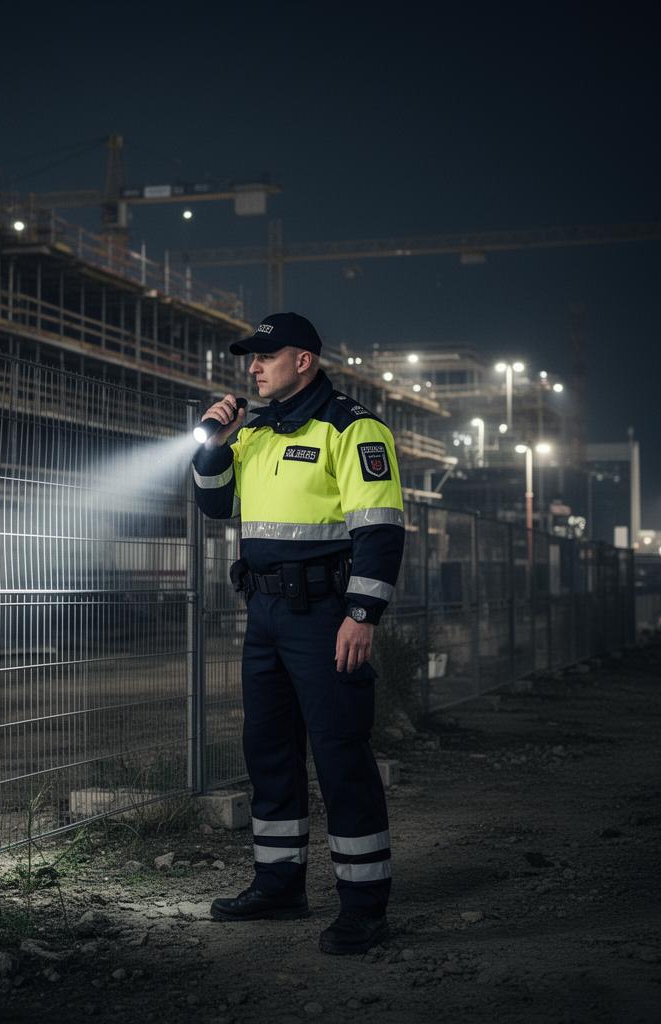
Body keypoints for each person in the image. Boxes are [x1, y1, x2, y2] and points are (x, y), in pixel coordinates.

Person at [191, 311, 405, 955]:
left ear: (303, 360)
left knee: (341, 755)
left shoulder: (352, 427)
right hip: (264, 617)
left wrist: (363, 615)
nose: (252, 367)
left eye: (265, 356)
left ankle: (364, 906)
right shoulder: (254, 433)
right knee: (269, 753)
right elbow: (216, 503)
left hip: (327, 617)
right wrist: (212, 443)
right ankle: (279, 886)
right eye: (250, 359)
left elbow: (382, 527)